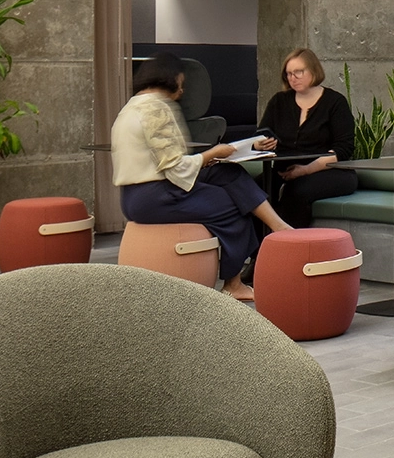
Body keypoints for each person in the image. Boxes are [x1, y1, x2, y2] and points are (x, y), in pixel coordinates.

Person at [113, 52, 292, 302]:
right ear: (171, 78)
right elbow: (174, 168)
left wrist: (214, 159)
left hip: (134, 197)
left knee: (225, 171)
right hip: (157, 197)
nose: (183, 90)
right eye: (182, 83)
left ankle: (278, 226)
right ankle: (234, 283)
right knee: (233, 206)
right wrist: (212, 153)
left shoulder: (131, 107)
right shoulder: (156, 110)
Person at [256, 48, 358, 229]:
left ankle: (292, 246)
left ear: (314, 71)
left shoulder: (335, 102)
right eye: (288, 74)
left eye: (298, 72)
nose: (292, 78)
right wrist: (260, 143)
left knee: (296, 191)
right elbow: (260, 135)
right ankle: (259, 250)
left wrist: (305, 170)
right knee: (253, 190)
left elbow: (344, 148)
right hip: (284, 169)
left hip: (328, 170)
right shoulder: (279, 101)